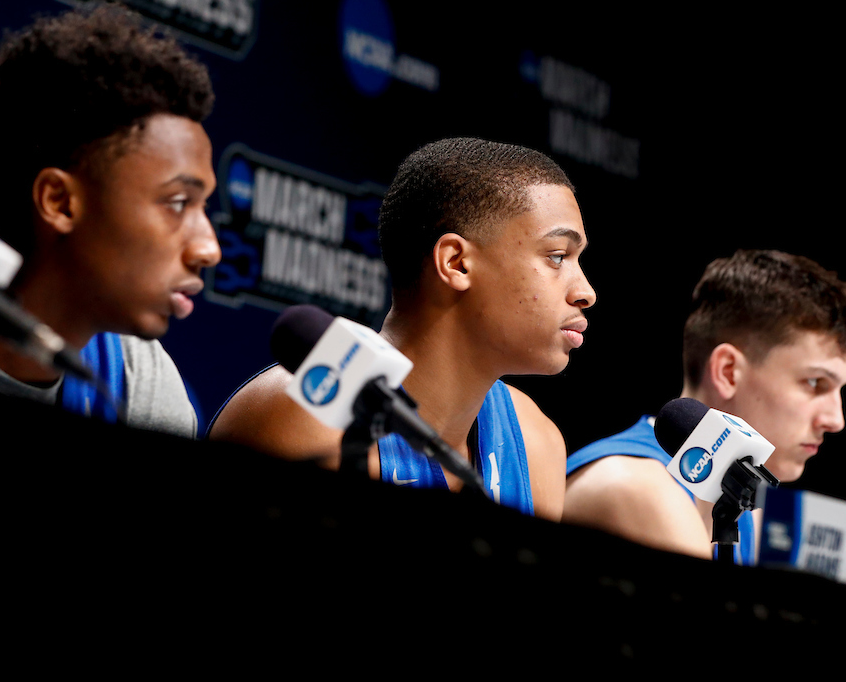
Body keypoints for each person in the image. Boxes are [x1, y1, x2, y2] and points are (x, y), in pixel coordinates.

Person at [0, 4, 221, 438]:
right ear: (59, 202)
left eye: (203, 206)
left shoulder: (140, 380)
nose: (209, 248)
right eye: (176, 202)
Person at [209, 138, 595, 520]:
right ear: (456, 263)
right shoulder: (305, 414)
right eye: (557, 256)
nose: (586, 293)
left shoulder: (535, 444)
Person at [563, 249, 846, 560]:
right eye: (814, 383)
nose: (836, 420)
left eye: (839, 389)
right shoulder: (637, 489)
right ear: (728, 371)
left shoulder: (742, 507)